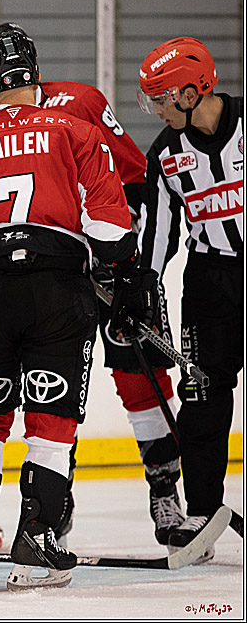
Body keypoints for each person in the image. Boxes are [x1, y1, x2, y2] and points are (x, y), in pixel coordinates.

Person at [0, 29, 157, 590]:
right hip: (58, 288)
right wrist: (119, 276)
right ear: (33, 72)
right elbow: (109, 226)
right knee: (50, 415)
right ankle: (37, 537)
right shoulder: (76, 132)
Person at [0, 23, 183, 550]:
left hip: (115, 267)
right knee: (60, 387)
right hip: (56, 280)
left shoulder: (81, 101)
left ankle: (165, 492)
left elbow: (139, 182)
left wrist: (135, 268)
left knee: (139, 374)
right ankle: (55, 506)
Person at [136, 37, 243, 559]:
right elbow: (159, 232)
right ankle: (202, 512)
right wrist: (142, 285)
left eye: (159, 98)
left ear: (189, 91)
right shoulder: (166, 154)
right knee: (201, 397)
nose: (155, 109)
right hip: (208, 283)